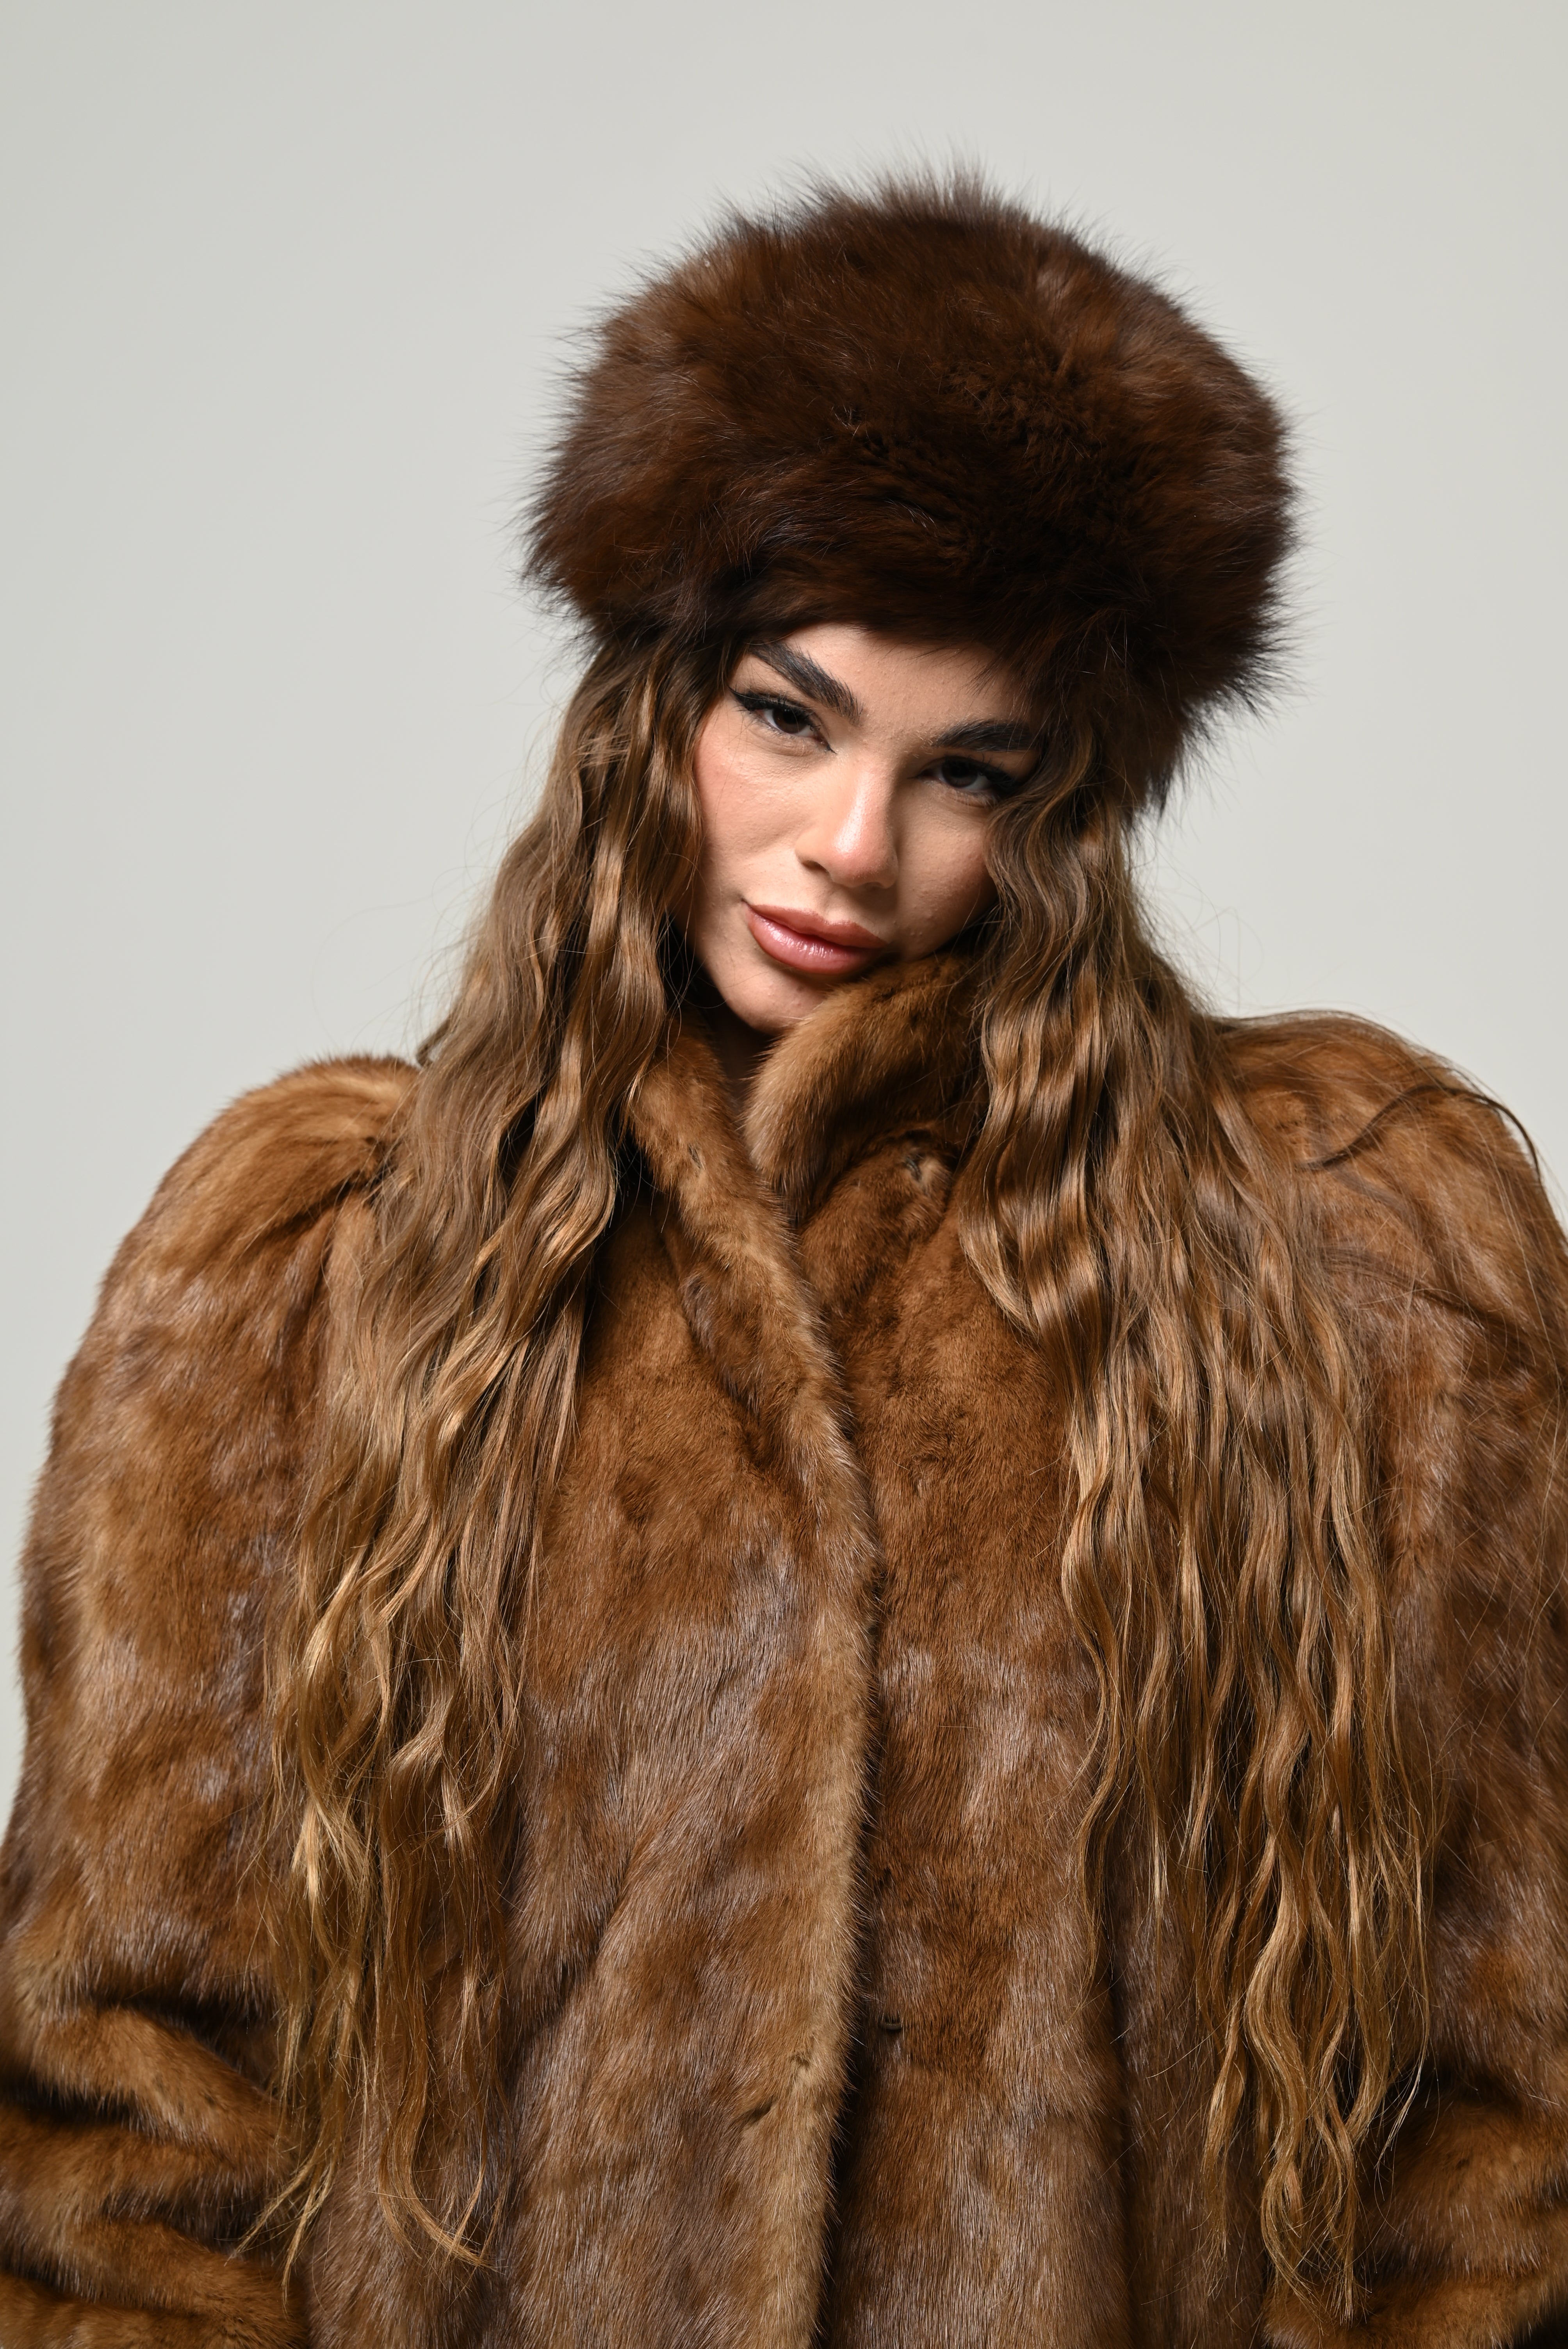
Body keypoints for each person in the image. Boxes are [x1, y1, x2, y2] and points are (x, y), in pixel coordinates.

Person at [1, 175, 1565, 2349]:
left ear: (1070, 815)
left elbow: (1485, 2112)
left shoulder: (1342, 1263)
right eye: (790, 716)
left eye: (968, 772)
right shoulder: (314, 1273)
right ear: (655, 703)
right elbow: (136, 2100)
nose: (852, 846)